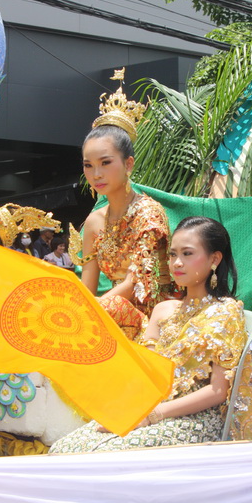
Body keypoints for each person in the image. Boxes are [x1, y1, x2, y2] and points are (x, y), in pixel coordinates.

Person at [50, 217, 252, 454]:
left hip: (196, 419)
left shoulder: (225, 312)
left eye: (187, 254)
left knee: (104, 453)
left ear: (214, 259)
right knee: (63, 448)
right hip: (148, 410)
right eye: (173, 254)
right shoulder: (163, 310)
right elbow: (146, 374)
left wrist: (154, 415)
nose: (177, 263)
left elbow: (218, 391)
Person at [69, 68, 171, 340]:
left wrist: (89, 311)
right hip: (110, 312)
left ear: (128, 164)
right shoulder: (94, 222)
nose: (96, 174)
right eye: (88, 165)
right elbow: (88, 286)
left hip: (153, 315)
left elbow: (136, 283)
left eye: (105, 163)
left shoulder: (149, 214)